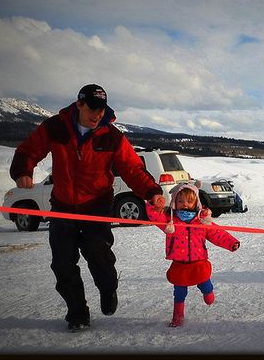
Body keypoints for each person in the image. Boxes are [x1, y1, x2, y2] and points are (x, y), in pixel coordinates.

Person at [10, 84, 165, 332]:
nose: (97, 115)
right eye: (92, 109)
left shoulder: (111, 135)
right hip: (62, 207)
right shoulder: (55, 127)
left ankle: (108, 287)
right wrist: (22, 171)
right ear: (79, 104)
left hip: (97, 206)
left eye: (101, 110)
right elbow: (29, 150)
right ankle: (78, 313)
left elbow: (132, 168)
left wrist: (152, 191)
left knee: (98, 254)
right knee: (62, 264)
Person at [146, 182, 240, 327]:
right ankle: (178, 316)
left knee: (205, 285)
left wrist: (231, 243)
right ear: (174, 202)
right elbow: (154, 216)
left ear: (196, 203)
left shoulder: (201, 221)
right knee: (179, 292)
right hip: (179, 264)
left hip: (198, 263)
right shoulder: (169, 220)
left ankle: (208, 293)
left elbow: (217, 233)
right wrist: (154, 204)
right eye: (180, 201)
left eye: (189, 201)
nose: (184, 204)